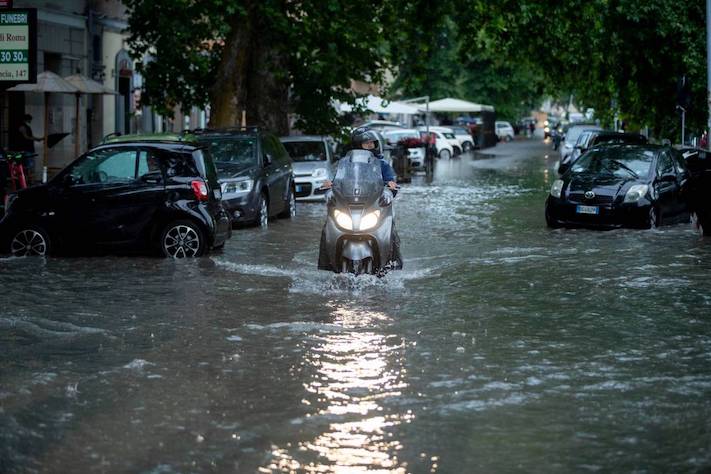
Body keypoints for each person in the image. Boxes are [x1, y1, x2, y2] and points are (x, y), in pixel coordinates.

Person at [322, 128, 397, 190]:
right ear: (358, 144)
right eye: (366, 142)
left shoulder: (382, 163)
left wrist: (390, 184)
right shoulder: (347, 162)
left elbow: (390, 180)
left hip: (375, 198)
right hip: (350, 197)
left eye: (372, 142)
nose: (370, 145)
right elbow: (339, 179)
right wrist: (331, 183)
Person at [17, 114, 43, 184]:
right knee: (29, 165)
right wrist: (37, 139)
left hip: (29, 148)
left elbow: (29, 136)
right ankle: (28, 181)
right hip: (26, 149)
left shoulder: (26, 127)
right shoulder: (22, 127)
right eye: (30, 119)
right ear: (27, 119)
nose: (30, 120)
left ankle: (29, 180)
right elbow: (26, 137)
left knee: (30, 165)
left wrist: (37, 139)